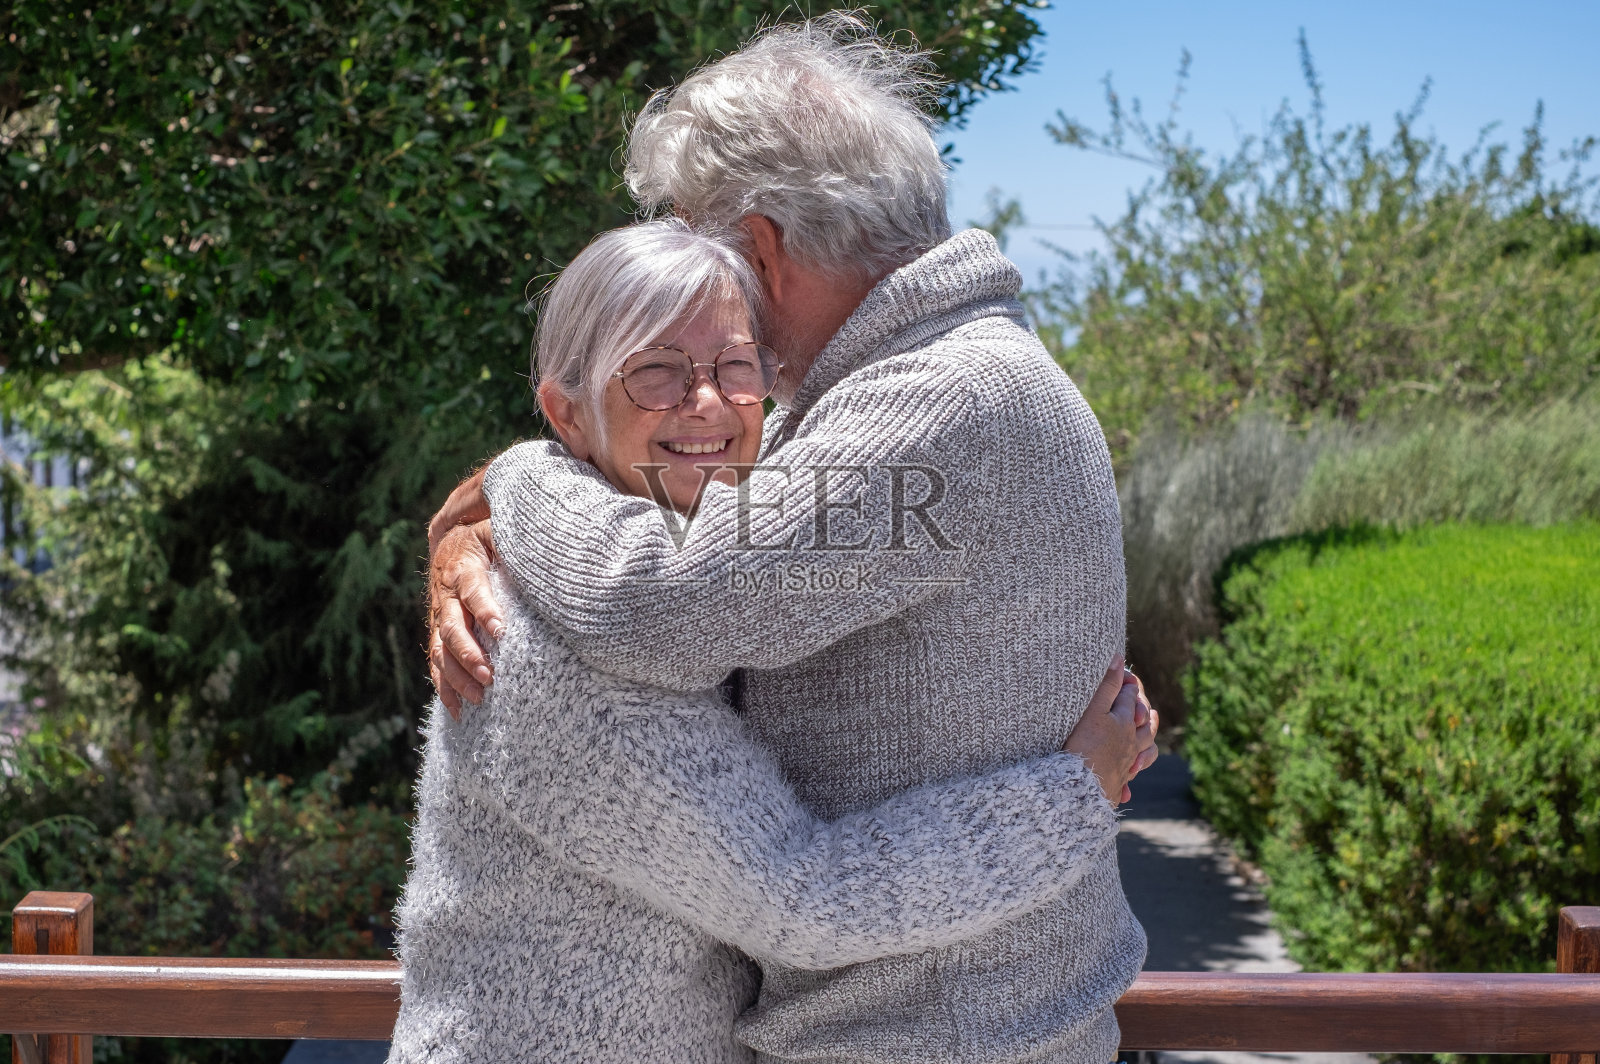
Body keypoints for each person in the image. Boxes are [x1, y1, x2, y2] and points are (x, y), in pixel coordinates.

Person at [428, 15, 1157, 1063]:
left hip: (935, 1037)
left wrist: (508, 482)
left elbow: (663, 604)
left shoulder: (939, 401)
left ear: (760, 247)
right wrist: (472, 528)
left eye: (698, 238)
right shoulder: (937, 384)